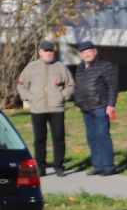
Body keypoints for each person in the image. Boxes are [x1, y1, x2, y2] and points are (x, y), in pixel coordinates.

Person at [15, 41, 74, 176]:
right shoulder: (31, 67)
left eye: (51, 51)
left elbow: (70, 85)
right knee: (39, 139)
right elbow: (20, 84)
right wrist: (29, 97)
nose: (49, 53)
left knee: (58, 138)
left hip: (56, 108)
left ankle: (58, 166)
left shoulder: (60, 67)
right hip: (37, 108)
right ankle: (40, 167)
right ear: (40, 52)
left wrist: (62, 96)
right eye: (46, 51)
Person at [72, 40, 120, 176]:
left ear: (95, 51)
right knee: (91, 137)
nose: (87, 54)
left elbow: (112, 85)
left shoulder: (104, 65)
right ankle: (98, 166)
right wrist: (78, 101)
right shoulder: (80, 67)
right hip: (86, 107)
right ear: (81, 55)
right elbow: (79, 86)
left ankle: (109, 166)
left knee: (102, 135)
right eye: (84, 52)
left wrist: (111, 105)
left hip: (100, 106)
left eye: (89, 51)